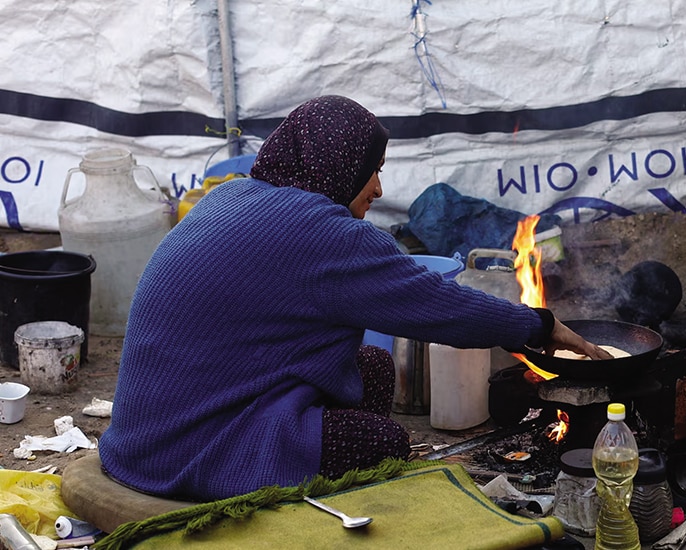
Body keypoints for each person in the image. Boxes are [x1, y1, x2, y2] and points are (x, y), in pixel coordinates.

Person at [98, 95, 611, 502]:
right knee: (383, 444)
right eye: (374, 168)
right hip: (192, 449)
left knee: (372, 367)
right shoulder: (323, 235)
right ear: (339, 166)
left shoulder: (235, 194)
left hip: (147, 429)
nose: (380, 189)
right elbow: (441, 308)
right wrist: (540, 327)